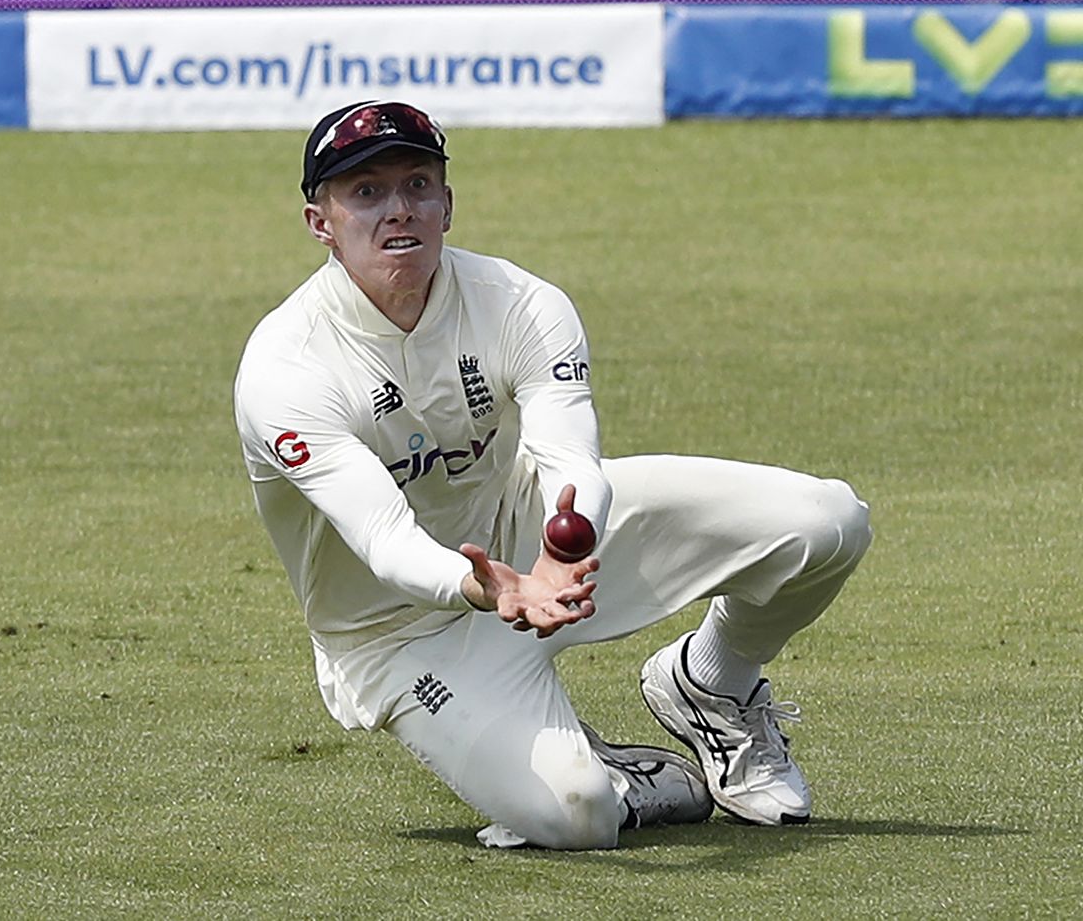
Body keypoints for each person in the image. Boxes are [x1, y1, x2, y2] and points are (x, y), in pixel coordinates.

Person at [233, 100, 872, 849]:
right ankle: (613, 777)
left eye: (417, 184)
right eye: (366, 192)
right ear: (321, 222)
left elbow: (572, 458)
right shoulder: (285, 368)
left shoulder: (521, 303)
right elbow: (382, 538)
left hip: (535, 541)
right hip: (398, 631)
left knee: (826, 521)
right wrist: (492, 586)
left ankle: (713, 683)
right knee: (579, 817)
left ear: (448, 203)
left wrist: (560, 556)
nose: (397, 210)